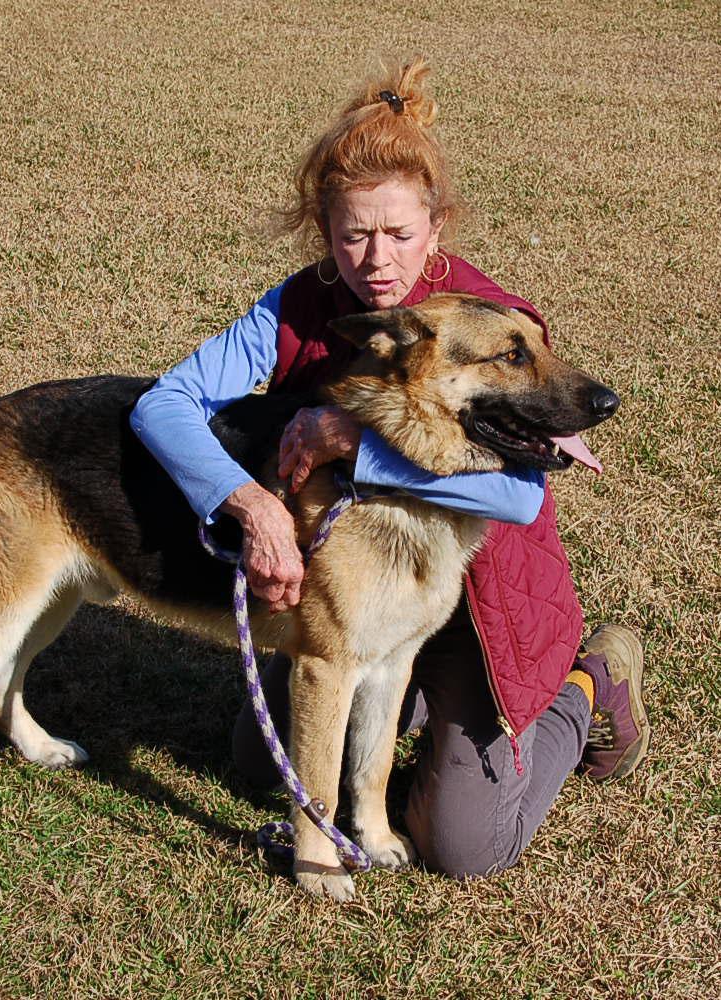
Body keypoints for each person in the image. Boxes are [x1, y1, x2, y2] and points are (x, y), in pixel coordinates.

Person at [129, 59, 650, 878]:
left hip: (484, 611)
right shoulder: (299, 302)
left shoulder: (493, 326)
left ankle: (589, 688)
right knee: (259, 763)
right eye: (353, 235)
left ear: (436, 228)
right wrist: (250, 505)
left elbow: (518, 498)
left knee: (462, 846)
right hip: (367, 581)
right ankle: (392, 704)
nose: (376, 258)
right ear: (325, 233)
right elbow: (164, 405)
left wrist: (358, 444)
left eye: (400, 234)